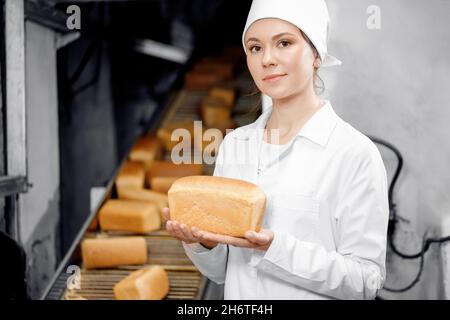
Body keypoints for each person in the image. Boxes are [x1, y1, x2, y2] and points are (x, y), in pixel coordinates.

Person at [163, 0, 389, 299]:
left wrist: (275, 249)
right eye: (255, 48)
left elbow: (367, 281)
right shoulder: (235, 146)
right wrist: (201, 243)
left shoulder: (354, 154)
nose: (267, 59)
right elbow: (222, 273)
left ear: (316, 54)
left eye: (284, 43)